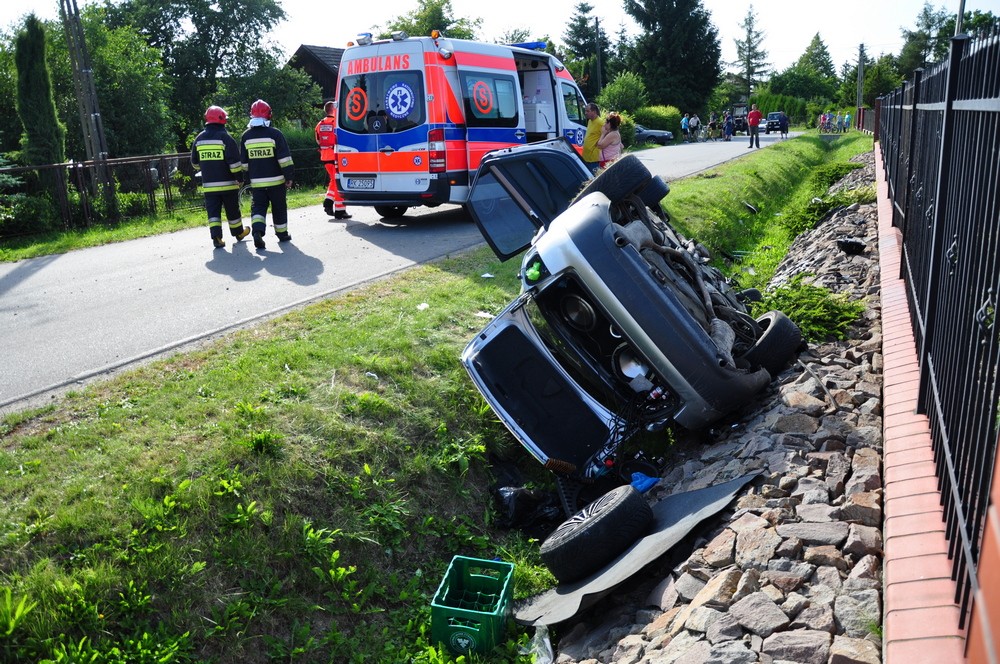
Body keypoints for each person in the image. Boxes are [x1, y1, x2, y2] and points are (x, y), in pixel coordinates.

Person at [190, 106, 250, 249]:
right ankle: (238, 233)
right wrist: (239, 178)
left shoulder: (199, 139)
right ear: (221, 119)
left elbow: (194, 164)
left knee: (213, 213)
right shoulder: (225, 138)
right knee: (232, 210)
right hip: (228, 184)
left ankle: (216, 237)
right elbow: (235, 164)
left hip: (209, 186)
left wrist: (207, 167)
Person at [240, 99, 294, 249]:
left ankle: (257, 231)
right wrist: (289, 176)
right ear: (269, 115)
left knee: (258, 208)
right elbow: (284, 159)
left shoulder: (246, 136)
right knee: (279, 207)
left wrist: (246, 178)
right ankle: (282, 234)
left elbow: (243, 163)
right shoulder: (275, 134)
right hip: (276, 182)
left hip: (257, 183)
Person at [315, 100, 351, 219]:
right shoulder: (336, 123)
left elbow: (318, 140)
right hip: (335, 157)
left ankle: (328, 201)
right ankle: (340, 210)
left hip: (325, 157)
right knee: (338, 182)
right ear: (334, 109)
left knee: (333, 180)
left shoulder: (320, 124)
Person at [582, 102, 602, 173]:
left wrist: (598, 144)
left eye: (588, 111)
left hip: (594, 159)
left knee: (595, 180)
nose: (585, 113)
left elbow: (607, 136)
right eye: (585, 111)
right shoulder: (590, 121)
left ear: (594, 111)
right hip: (586, 157)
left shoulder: (600, 122)